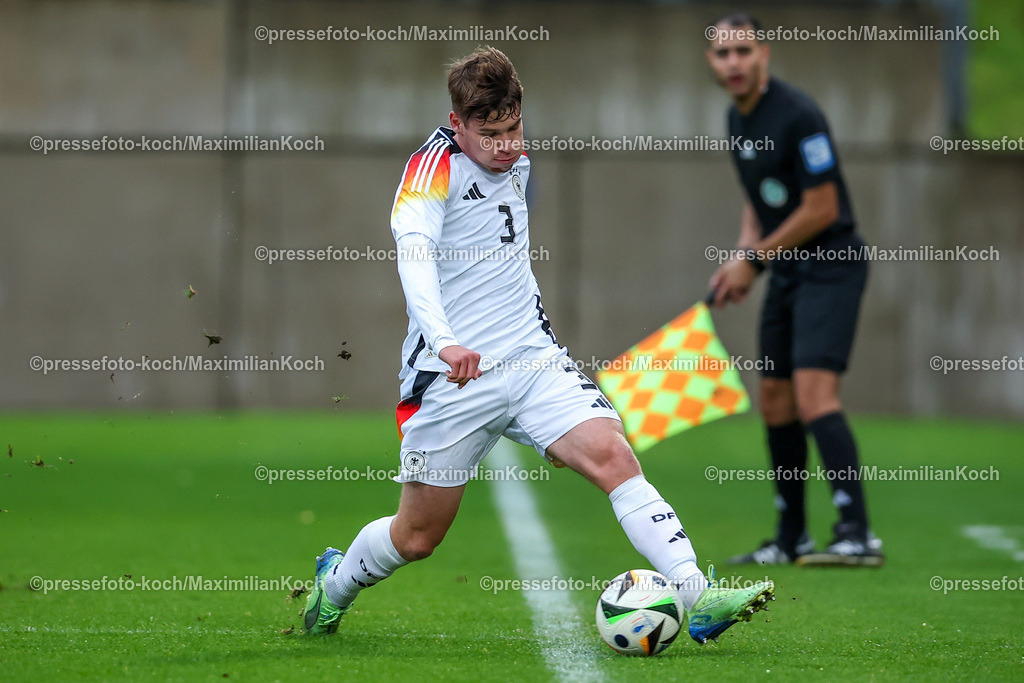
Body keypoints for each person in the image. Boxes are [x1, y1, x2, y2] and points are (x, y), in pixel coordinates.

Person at [302, 46, 773, 643]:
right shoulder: (431, 171)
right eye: (489, 133)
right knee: (417, 537)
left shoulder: (517, 161)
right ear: (456, 125)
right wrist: (445, 343)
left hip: (532, 363)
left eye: (514, 128)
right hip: (452, 379)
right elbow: (414, 257)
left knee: (613, 453)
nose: (506, 145)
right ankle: (335, 583)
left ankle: (695, 594)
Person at [705, 13, 883, 567]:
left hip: (831, 264)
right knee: (775, 401)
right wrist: (743, 254)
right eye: (721, 53)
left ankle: (856, 533)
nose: (732, 62)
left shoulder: (799, 115)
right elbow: (759, 201)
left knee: (812, 396)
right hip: (786, 269)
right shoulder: (737, 118)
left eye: (742, 50)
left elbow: (821, 207)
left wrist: (754, 261)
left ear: (765, 54)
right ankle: (791, 537)